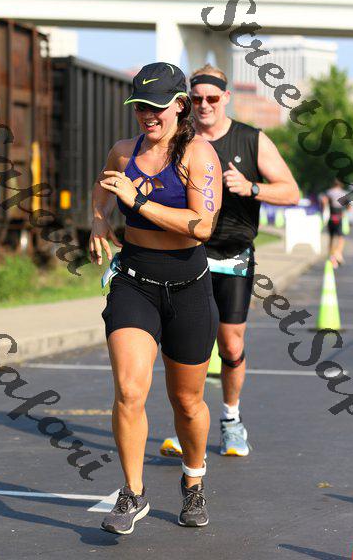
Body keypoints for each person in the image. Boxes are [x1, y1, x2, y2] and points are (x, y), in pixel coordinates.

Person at [89, 62, 222, 534]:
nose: (148, 115)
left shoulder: (199, 156)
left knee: (187, 402)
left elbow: (202, 226)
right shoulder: (124, 152)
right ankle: (133, 492)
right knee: (129, 390)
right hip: (135, 283)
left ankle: (193, 482)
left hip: (189, 289)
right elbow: (104, 187)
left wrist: (139, 202)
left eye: (157, 107)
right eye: (140, 106)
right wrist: (99, 219)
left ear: (180, 106)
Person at [160, 64, 300, 459]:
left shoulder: (251, 139)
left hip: (235, 255)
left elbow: (291, 191)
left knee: (231, 344)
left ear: (226, 98)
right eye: (196, 99)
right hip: (190, 253)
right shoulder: (179, 138)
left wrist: (251, 187)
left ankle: (231, 419)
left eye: (211, 98)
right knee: (190, 344)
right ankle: (189, 423)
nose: (204, 105)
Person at [320, 179, 350, 268]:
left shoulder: (328, 192)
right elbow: (349, 207)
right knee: (341, 237)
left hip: (331, 217)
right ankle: (338, 253)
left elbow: (323, 201)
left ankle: (331, 256)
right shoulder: (343, 193)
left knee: (331, 238)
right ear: (341, 185)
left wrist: (324, 209)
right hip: (339, 217)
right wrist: (345, 211)